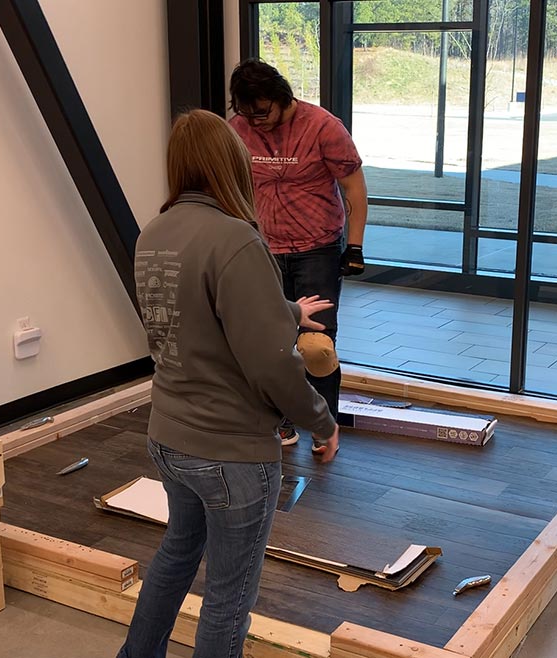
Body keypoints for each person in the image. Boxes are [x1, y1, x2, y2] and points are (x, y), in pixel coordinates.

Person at [117, 109, 340, 658]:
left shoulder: (154, 233)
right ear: (233, 164)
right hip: (230, 451)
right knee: (228, 593)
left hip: (169, 436)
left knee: (176, 553)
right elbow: (270, 365)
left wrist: (285, 309)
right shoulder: (237, 239)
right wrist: (321, 421)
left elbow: (198, 306)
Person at [228, 58, 368, 451]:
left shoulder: (323, 127)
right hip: (263, 248)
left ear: (281, 96)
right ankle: (282, 420)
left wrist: (354, 246)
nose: (256, 122)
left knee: (316, 345)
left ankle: (326, 428)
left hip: (317, 249)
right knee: (272, 341)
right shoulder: (238, 129)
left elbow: (355, 191)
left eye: (262, 112)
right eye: (246, 114)